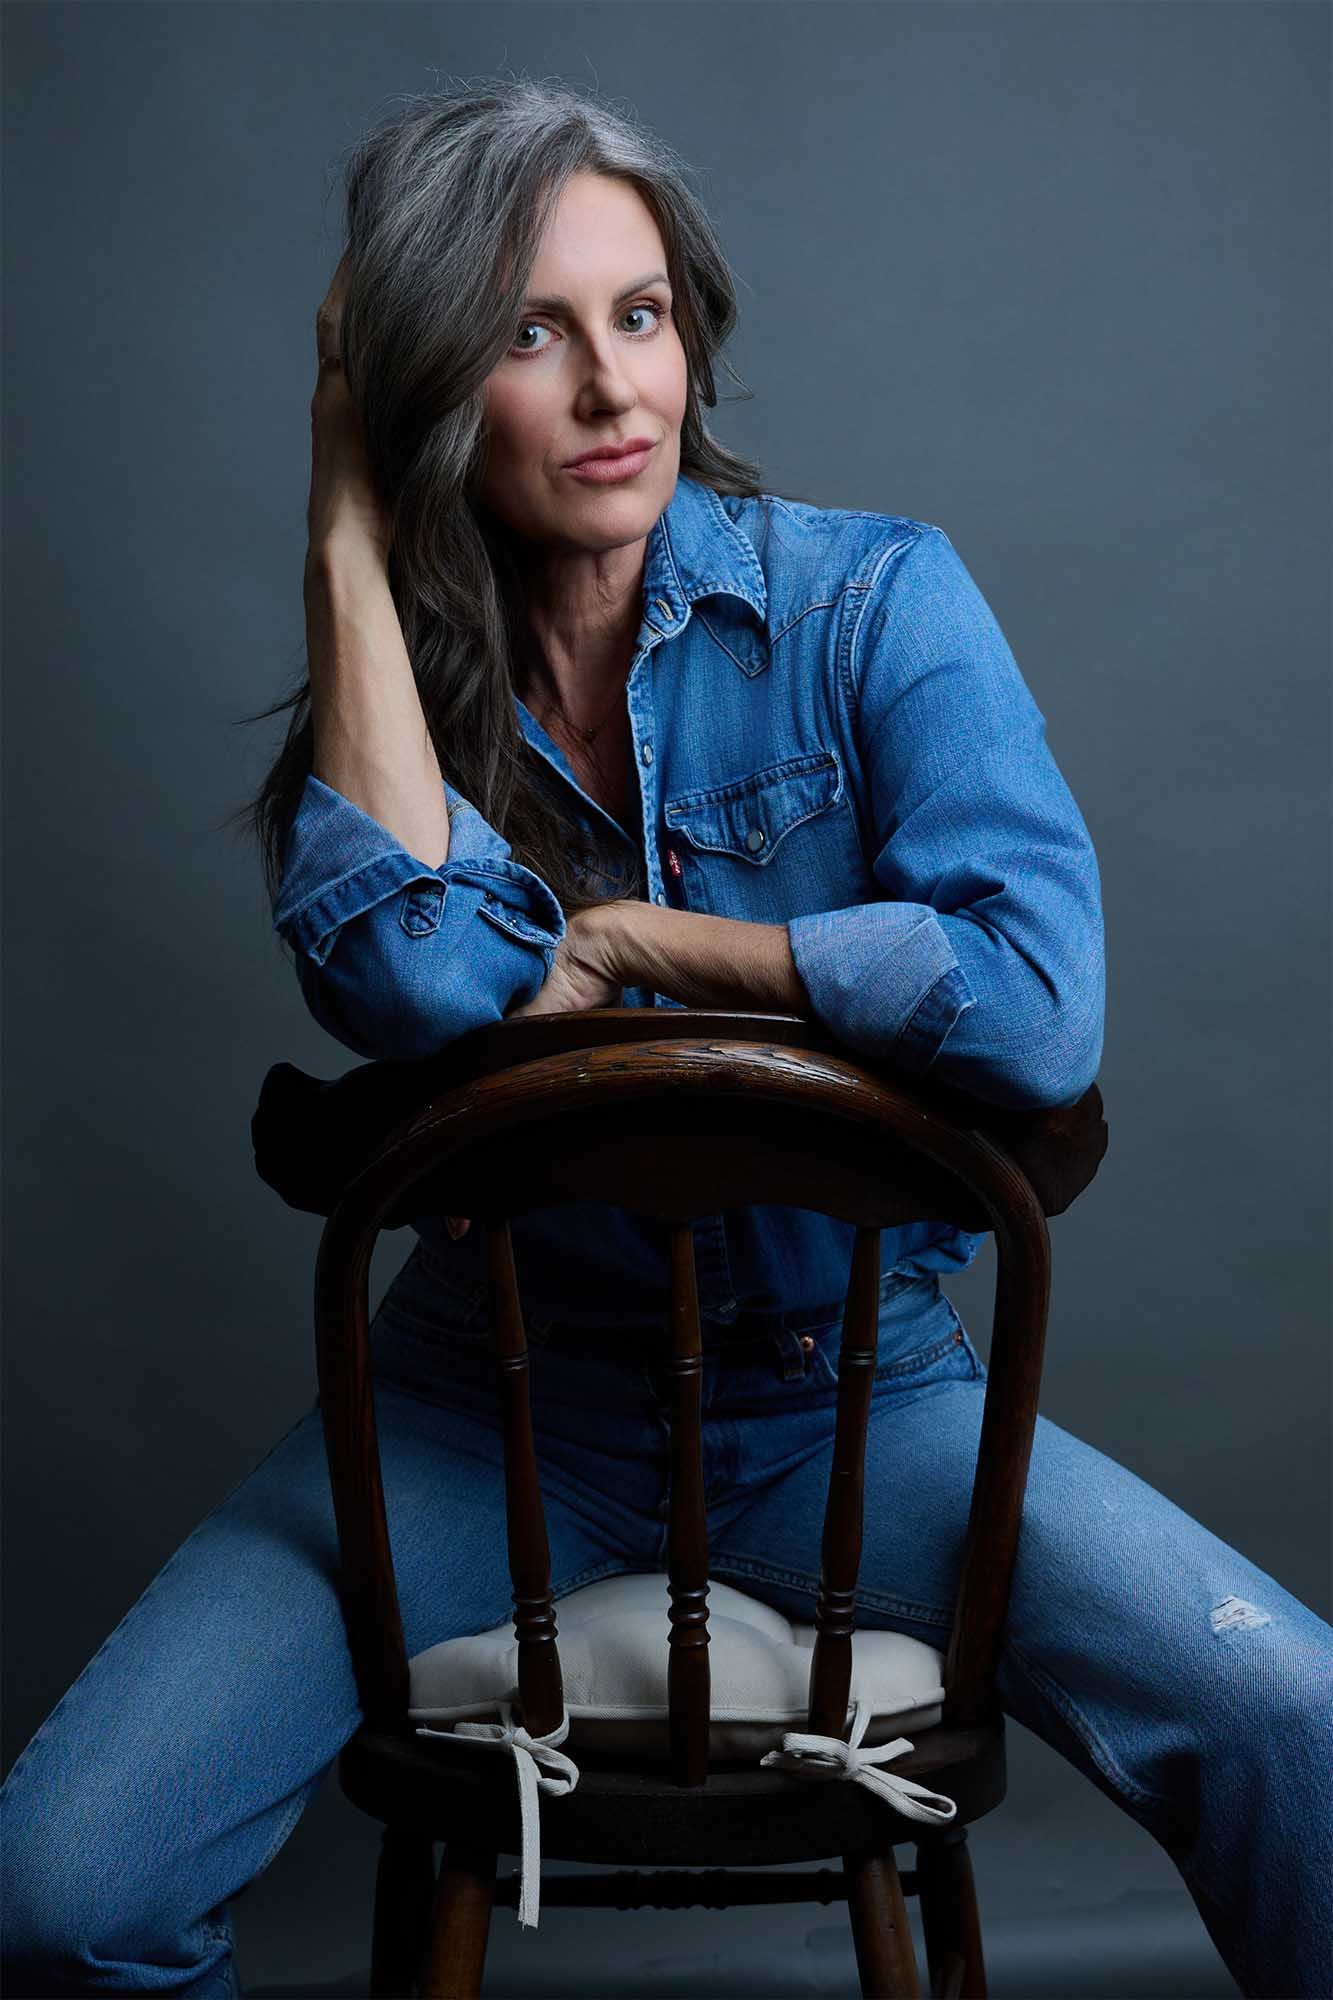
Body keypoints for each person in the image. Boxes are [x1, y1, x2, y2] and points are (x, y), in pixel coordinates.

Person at [2, 74, 1329, 2000]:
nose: (616, 387)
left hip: (856, 1406)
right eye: (529, 333)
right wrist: (346, 510)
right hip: (481, 1417)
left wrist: (651, 943)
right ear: (436, 381)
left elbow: (1039, 1007)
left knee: (1290, 1714)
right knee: (59, 1889)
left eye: (640, 314)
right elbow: (410, 992)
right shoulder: (402, 706)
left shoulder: (870, 599)